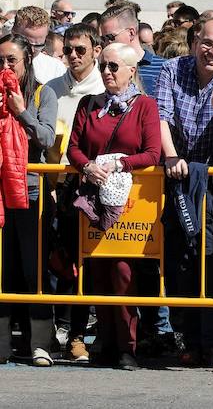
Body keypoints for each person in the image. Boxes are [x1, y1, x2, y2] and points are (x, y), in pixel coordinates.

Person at [66, 43, 162, 370]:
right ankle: (105, 343)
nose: (107, 72)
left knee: (123, 272)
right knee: (98, 272)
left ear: (132, 70)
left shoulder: (145, 105)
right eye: (104, 66)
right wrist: (88, 167)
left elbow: (152, 154)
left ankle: (127, 346)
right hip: (94, 199)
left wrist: (119, 163)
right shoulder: (89, 104)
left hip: (131, 203)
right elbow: (74, 149)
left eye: (114, 67)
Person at [156, 18, 213, 369]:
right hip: (178, 175)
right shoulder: (171, 69)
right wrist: (171, 155)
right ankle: (188, 341)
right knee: (181, 263)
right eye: (208, 43)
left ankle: (212, 344)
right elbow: (162, 116)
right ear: (195, 42)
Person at [45, 23, 106, 363]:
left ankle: (79, 334)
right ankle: (60, 329)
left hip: (93, 186)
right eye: (68, 49)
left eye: (81, 49)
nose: (73, 56)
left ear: (96, 49)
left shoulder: (105, 85)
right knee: (61, 263)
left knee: (89, 264)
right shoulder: (51, 88)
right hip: (58, 185)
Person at [0, 33, 59, 366]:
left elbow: (47, 137)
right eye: (1, 60)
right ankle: (2, 343)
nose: (6, 66)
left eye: (12, 60)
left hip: (31, 193)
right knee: (1, 271)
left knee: (33, 270)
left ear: (27, 62)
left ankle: (40, 343)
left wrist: (21, 112)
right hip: (0, 194)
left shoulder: (42, 93)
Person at [98, 2, 166, 99]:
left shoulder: (163, 68)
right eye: (103, 39)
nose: (107, 43)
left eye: (110, 37)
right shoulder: (103, 68)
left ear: (131, 33)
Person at [11, 6, 67, 84]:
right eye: (27, 44)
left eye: (38, 46)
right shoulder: (3, 64)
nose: (32, 51)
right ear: (13, 33)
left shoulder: (56, 68)